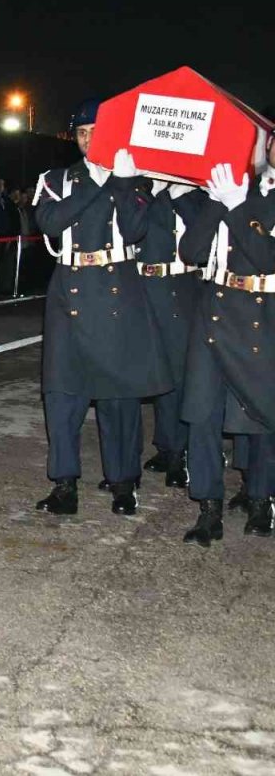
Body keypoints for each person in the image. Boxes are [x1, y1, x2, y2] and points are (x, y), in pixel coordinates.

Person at [32, 100, 171, 517]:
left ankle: (124, 482)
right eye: (81, 132)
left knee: (119, 395)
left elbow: (135, 229)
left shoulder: (135, 179)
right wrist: (103, 183)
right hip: (69, 288)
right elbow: (51, 221)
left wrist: (126, 184)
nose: (89, 139)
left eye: (97, 130)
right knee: (62, 393)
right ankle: (64, 483)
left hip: (117, 287)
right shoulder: (56, 179)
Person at [177, 147, 275, 544]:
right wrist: (217, 204)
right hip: (214, 311)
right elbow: (191, 252)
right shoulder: (234, 189)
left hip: (261, 313)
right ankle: (208, 506)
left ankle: (260, 498)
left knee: (261, 412)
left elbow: (267, 257)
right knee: (201, 413)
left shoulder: (248, 198)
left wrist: (237, 206)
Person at [135, 180, 206, 489]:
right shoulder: (141, 189)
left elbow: (204, 235)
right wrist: (151, 190)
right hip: (141, 286)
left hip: (181, 286)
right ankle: (163, 446)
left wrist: (181, 195)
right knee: (150, 372)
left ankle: (178, 452)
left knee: (178, 374)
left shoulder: (198, 196)